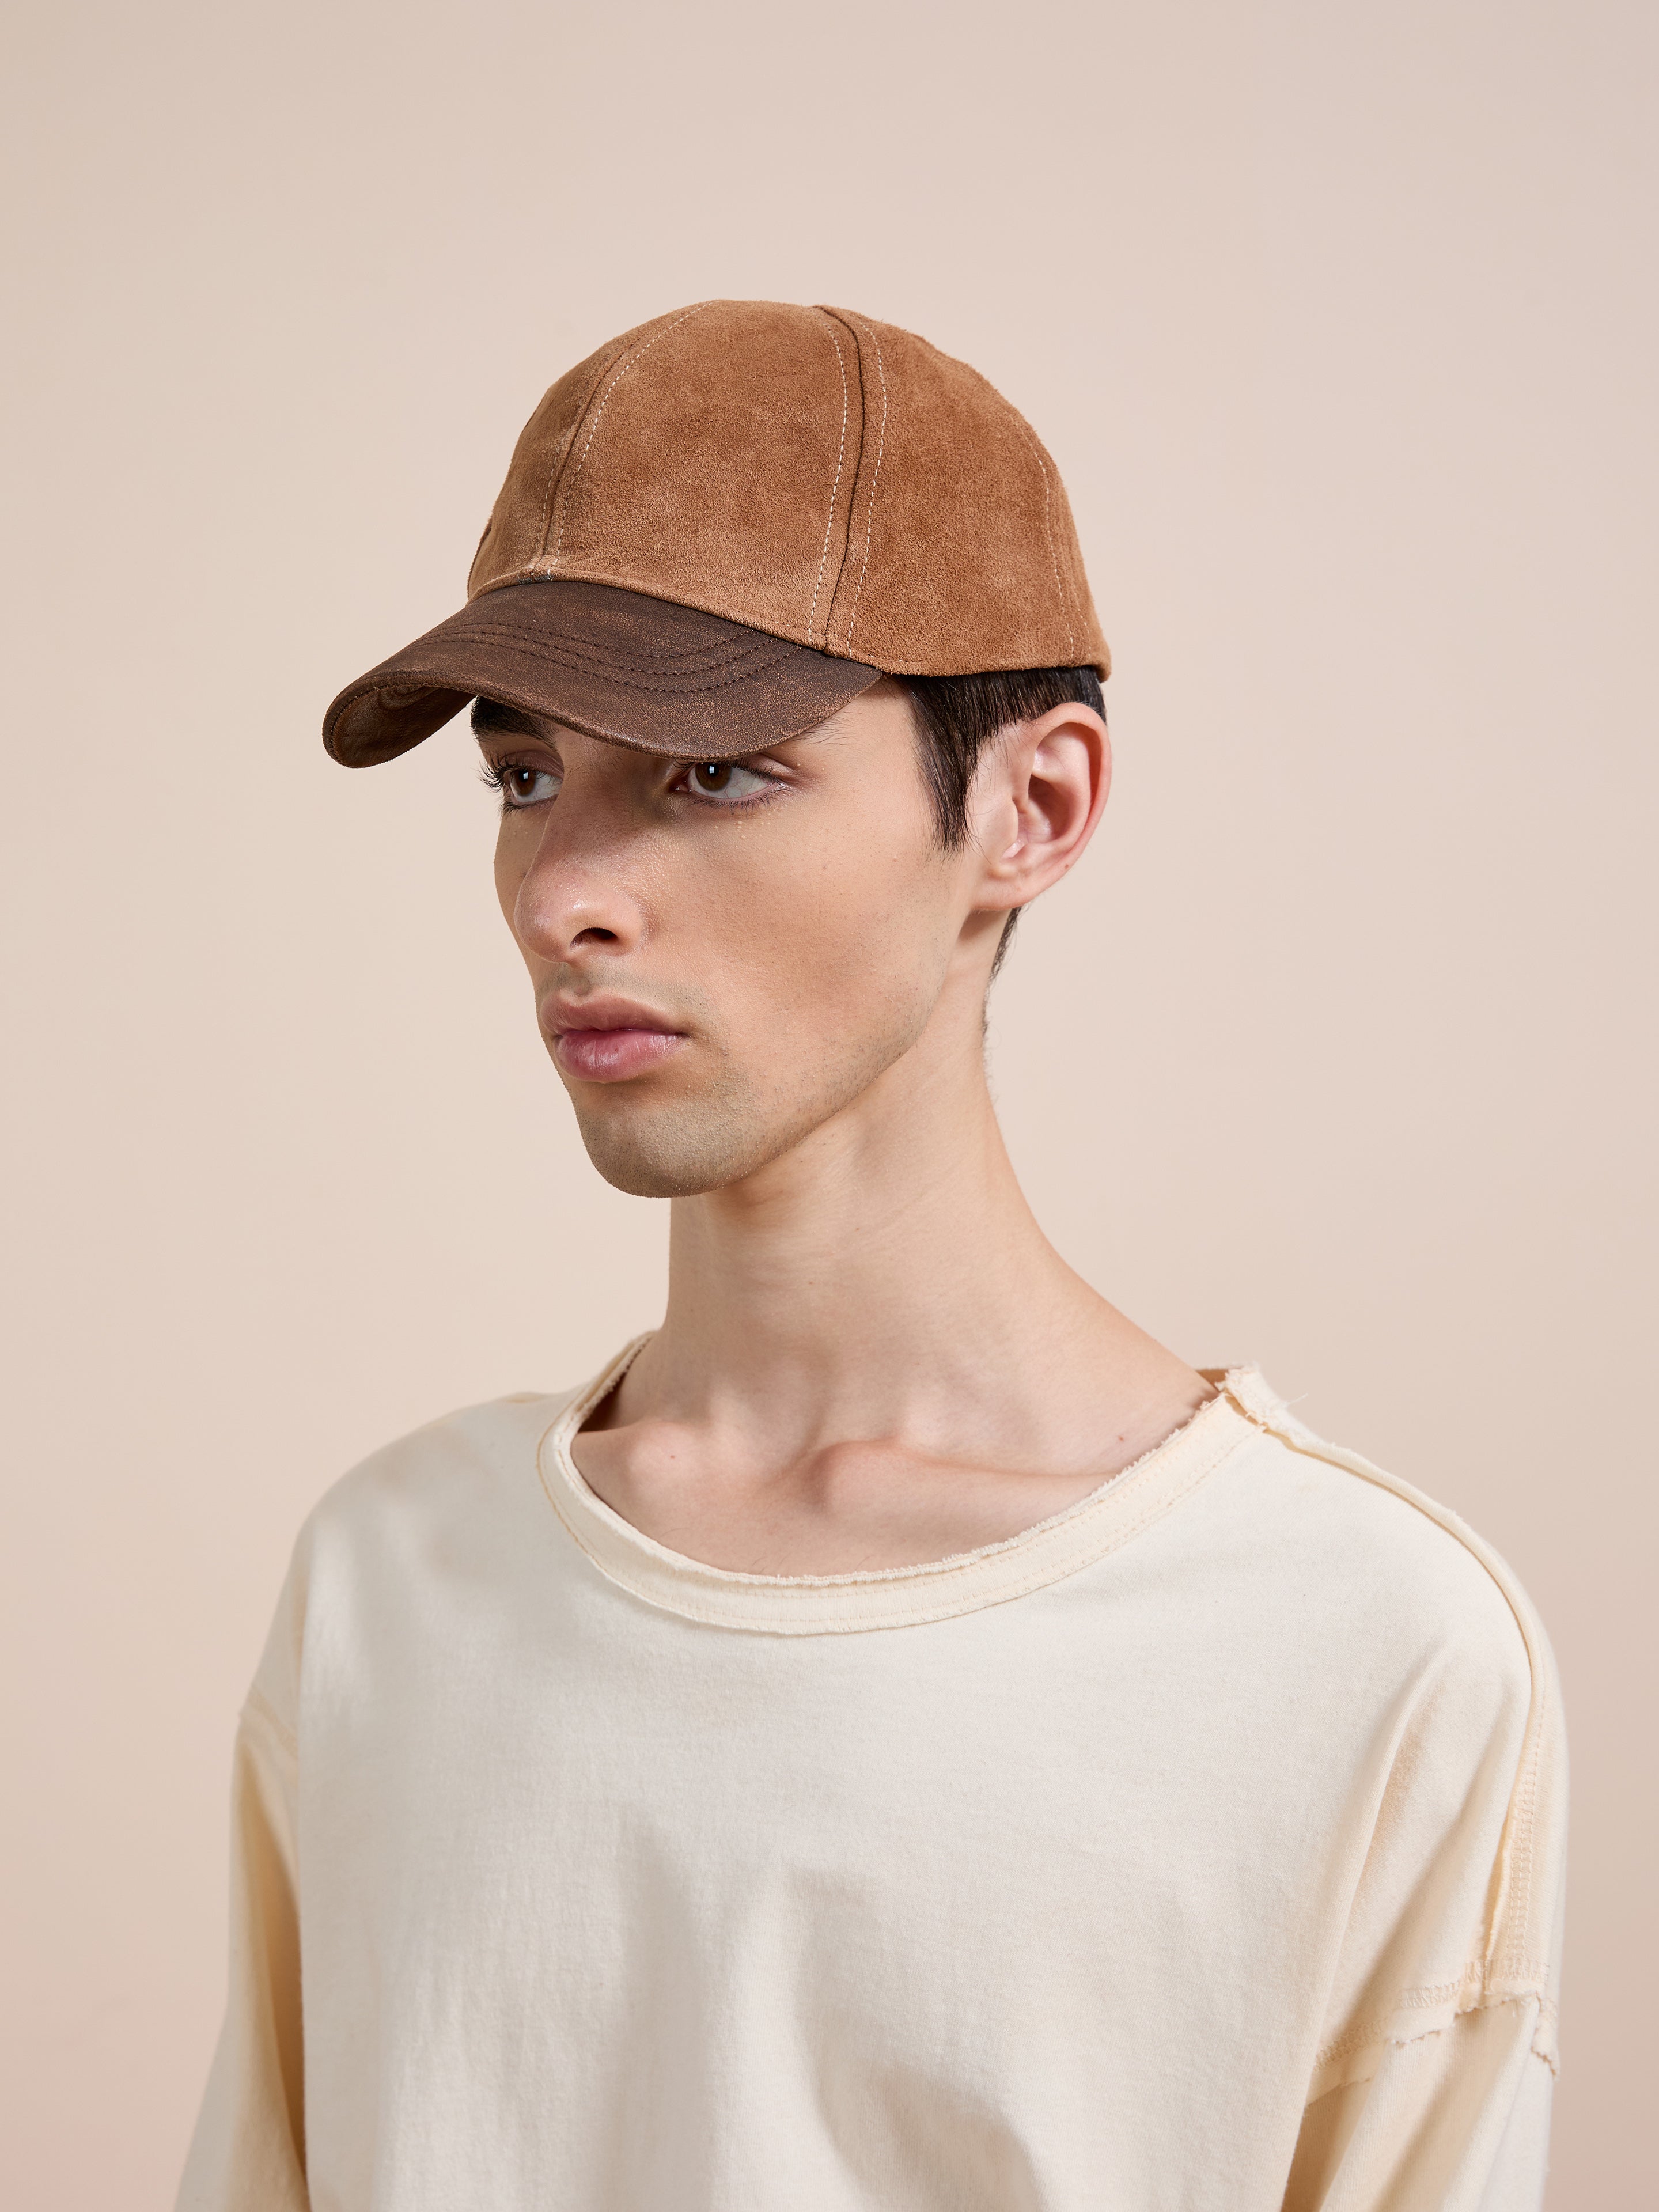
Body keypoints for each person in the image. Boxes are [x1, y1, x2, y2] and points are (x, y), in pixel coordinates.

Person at [177, 302, 1566, 2211]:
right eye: (521, 778)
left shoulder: (1357, 1644)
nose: (566, 891)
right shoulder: (396, 1580)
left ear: (1032, 806)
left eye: (712, 771)